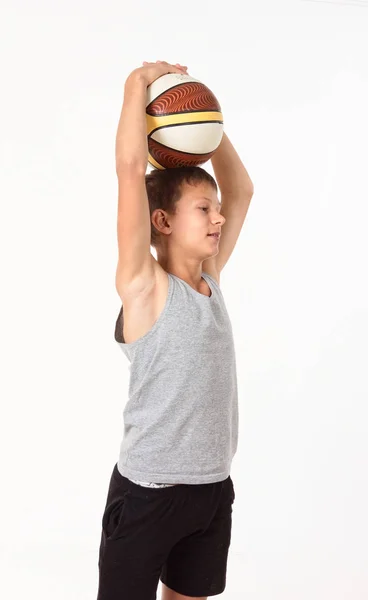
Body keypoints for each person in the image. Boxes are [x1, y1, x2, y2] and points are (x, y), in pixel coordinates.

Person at [96, 60, 254, 600]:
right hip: (149, 495)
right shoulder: (145, 286)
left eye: (216, 209)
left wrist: (202, 126)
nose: (217, 218)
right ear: (162, 222)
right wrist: (135, 90)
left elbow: (244, 190)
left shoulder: (211, 279)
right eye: (202, 209)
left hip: (212, 489)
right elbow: (128, 173)